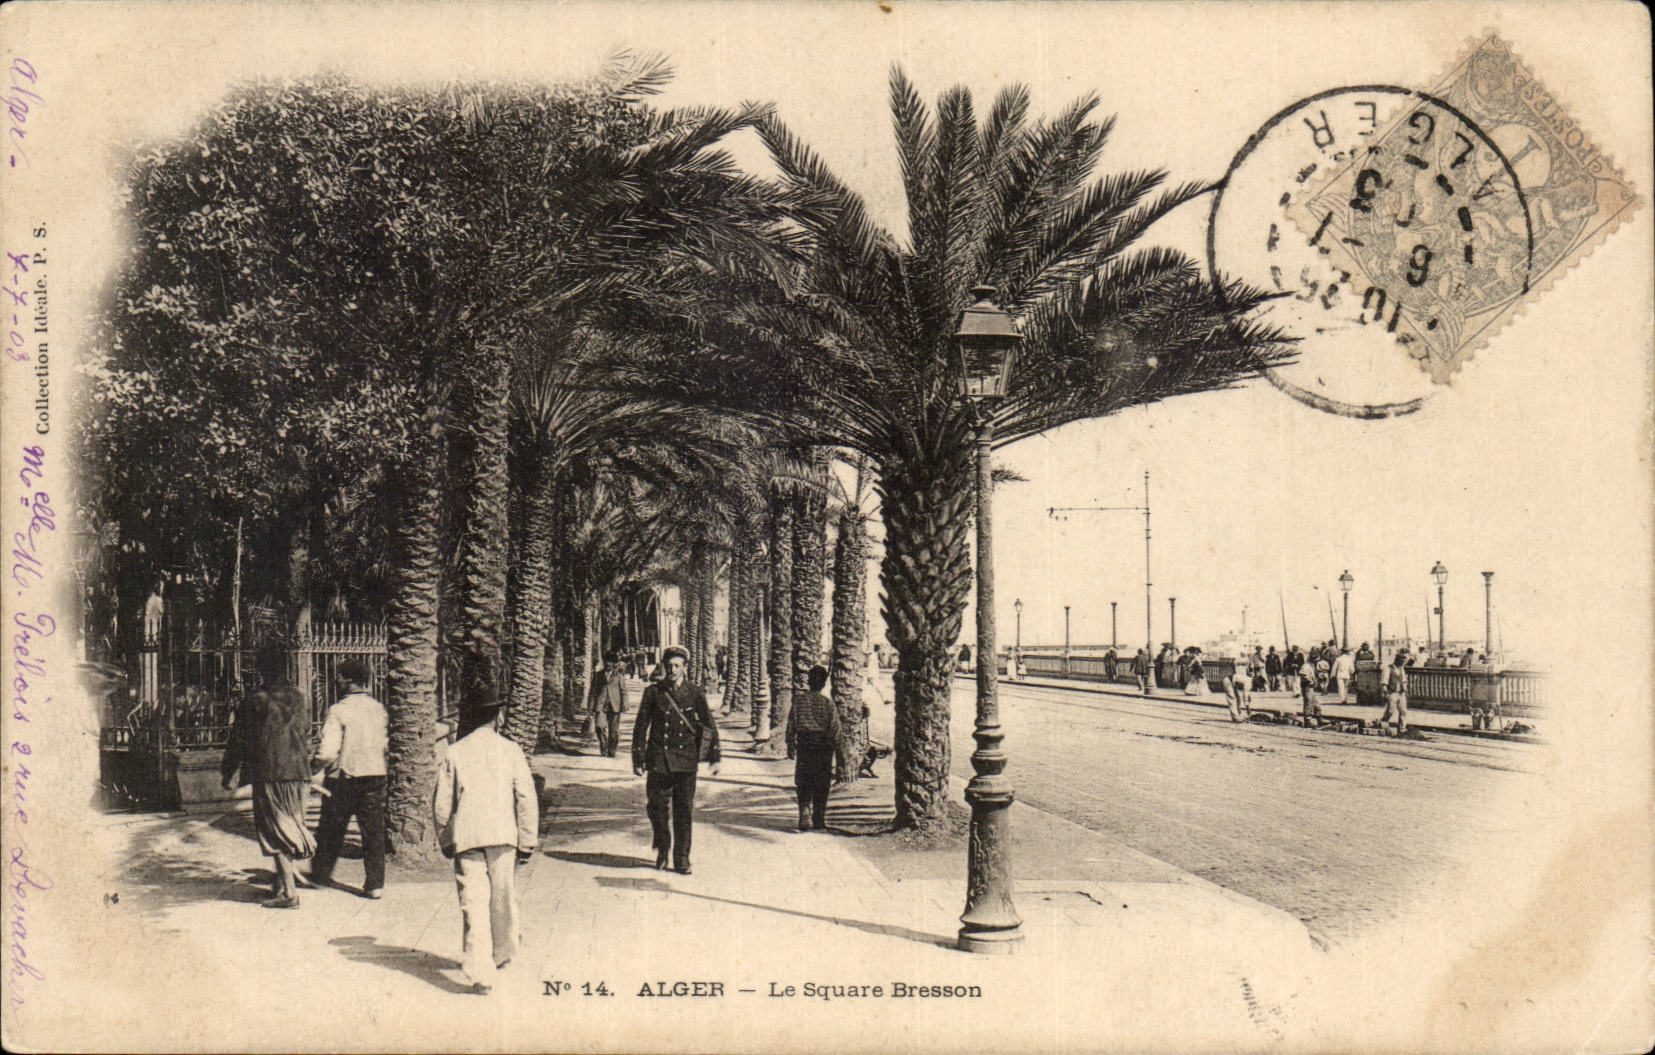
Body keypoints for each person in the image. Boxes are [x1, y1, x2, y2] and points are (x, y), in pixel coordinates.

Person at [432, 697, 539, 993]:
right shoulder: (510, 750)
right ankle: (502, 953)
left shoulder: (455, 752)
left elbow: (442, 806)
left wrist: (445, 838)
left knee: (473, 903)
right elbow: (526, 798)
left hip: (468, 838)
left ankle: (480, 973)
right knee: (503, 897)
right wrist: (528, 839)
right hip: (504, 836)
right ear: (498, 717)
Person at [220, 642, 316, 909]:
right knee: (291, 825)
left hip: (271, 772)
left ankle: (288, 893)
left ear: (261, 667)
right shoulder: (300, 696)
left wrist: (228, 772)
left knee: (276, 831)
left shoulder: (255, 700)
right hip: (299, 772)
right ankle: (285, 883)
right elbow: (305, 732)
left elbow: (238, 740)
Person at [632, 645, 720, 874]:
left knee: (684, 811)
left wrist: (715, 755)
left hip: (685, 760)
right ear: (663, 666)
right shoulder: (653, 692)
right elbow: (641, 725)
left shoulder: (694, 692)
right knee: (657, 809)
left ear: (684, 668)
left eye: (677, 666)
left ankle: (682, 858)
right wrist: (638, 756)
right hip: (659, 759)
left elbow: (709, 724)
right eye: (669, 665)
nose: (672, 670)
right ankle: (663, 845)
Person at [308, 658, 389, 898]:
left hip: (345, 776)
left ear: (349, 680)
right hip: (375, 774)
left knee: (330, 829)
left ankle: (320, 875)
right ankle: (375, 885)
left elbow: (328, 751)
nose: (336, 680)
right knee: (373, 832)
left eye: (340, 676)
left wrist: (314, 766)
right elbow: (384, 743)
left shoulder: (338, 710)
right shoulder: (378, 708)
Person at [787, 665, 840, 832]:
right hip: (823, 746)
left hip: (804, 744)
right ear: (824, 683)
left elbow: (791, 724)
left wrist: (790, 744)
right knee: (822, 782)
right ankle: (819, 818)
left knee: (803, 780)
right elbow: (835, 729)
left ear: (809, 681)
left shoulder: (799, 701)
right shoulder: (827, 704)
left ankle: (804, 813)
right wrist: (838, 752)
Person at [591, 651, 628, 758]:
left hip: (615, 706)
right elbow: (593, 691)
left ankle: (611, 750)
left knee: (614, 731)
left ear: (614, 663)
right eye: (606, 661)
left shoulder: (619, 676)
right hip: (601, 705)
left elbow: (623, 691)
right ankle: (603, 747)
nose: (608, 664)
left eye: (611, 662)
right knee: (599, 727)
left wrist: (625, 704)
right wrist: (590, 706)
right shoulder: (598, 675)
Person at [1380, 651, 1409, 735]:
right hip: (1391, 692)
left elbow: (1403, 680)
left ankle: (1402, 729)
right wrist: (1384, 690)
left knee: (1403, 711)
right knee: (1391, 711)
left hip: (1401, 693)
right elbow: (1384, 681)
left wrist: (1405, 688)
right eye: (1401, 660)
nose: (1403, 662)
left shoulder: (1401, 669)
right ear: (1397, 660)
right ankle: (1383, 721)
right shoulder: (1388, 668)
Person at [1299, 652, 1322, 721]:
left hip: (1311, 687)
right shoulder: (1306, 665)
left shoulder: (1311, 665)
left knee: (1315, 703)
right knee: (1308, 703)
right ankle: (1307, 720)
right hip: (1306, 686)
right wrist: (1310, 680)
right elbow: (1302, 674)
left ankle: (1318, 718)